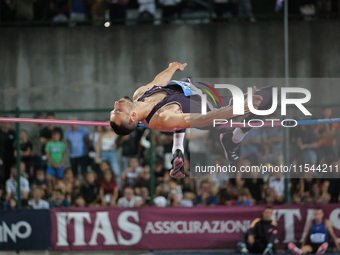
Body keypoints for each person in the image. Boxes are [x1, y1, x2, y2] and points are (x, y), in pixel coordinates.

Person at [110, 62, 270, 178]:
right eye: (118, 111)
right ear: (132, 116)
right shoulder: (163, 116)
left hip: (195, 92)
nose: (116, 104)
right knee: (270, 96)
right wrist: (239, 108)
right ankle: (234, 139)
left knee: (181, 97)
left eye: (114, 109)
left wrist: (172, 67)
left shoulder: (139, 94)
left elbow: (158, 82)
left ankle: (180, 149)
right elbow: (204, 119)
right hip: (212, 109)